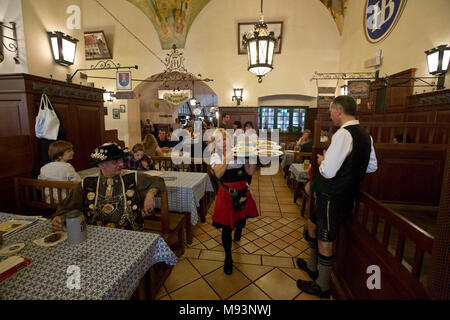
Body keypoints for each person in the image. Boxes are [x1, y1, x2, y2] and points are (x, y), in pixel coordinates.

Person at [296, 96, 378, 298]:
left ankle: (322, 286)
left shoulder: (343, 134)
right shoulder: (365, 135)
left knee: (326, 239)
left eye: (331, 111)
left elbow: (328, 172)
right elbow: (372, 166)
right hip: (346, 194)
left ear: (339, 110)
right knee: (312, 223)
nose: (331, 114)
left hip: (332, 196)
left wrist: (323, 160)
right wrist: (349, 170)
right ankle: (312, 265)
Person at [50, 143, 166, 231]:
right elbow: (65, 208)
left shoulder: (132, 177)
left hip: (131, 235)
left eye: (121, 159)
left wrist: (150, 194)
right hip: (95, 236)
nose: (121, 164)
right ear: (101, 164)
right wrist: (59, 218)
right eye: (116, 161)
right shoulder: (86, 184)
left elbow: (158, 180)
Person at [210, 128, 258, 275]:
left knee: (241, 221)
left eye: (224, 139)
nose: (222, 142)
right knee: (226, 228)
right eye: (218, 140)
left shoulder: (240, 151)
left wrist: (252, 158)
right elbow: (218, 174)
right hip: (226, 194)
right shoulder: (215, 156)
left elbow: (249, 172)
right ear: (215, 144)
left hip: (242, 191)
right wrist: (227, 157)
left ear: (229, 140)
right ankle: (228, 258)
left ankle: (239, 229)